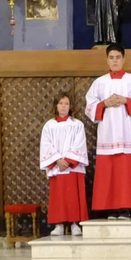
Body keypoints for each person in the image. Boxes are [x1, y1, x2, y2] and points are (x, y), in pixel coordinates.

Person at [84, 43, 131, 219]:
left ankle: (127, 208)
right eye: (111, 58)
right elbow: (89, 106)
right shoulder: (100, 83)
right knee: (110, 174)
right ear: (107, 59)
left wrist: (126, 101)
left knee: (127, 173)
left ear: (124, 59)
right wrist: (104, 103)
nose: (115, 61)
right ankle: (112, 208)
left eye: (118, 57)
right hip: (108, 134)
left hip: (129, 133)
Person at [40, 93, 89, 236]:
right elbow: (46, 145)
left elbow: (79, 143)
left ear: (70, 106)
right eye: (61, 103)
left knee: (74, 195)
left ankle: (75, 224)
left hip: (73, 167)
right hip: (57, 167)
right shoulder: (49, 126)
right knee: (59, 196)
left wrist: (68, 161)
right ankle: (59, 225)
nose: (63, 106)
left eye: (66, 103)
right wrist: (57, 160)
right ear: (56, 106)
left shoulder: (77, 124)